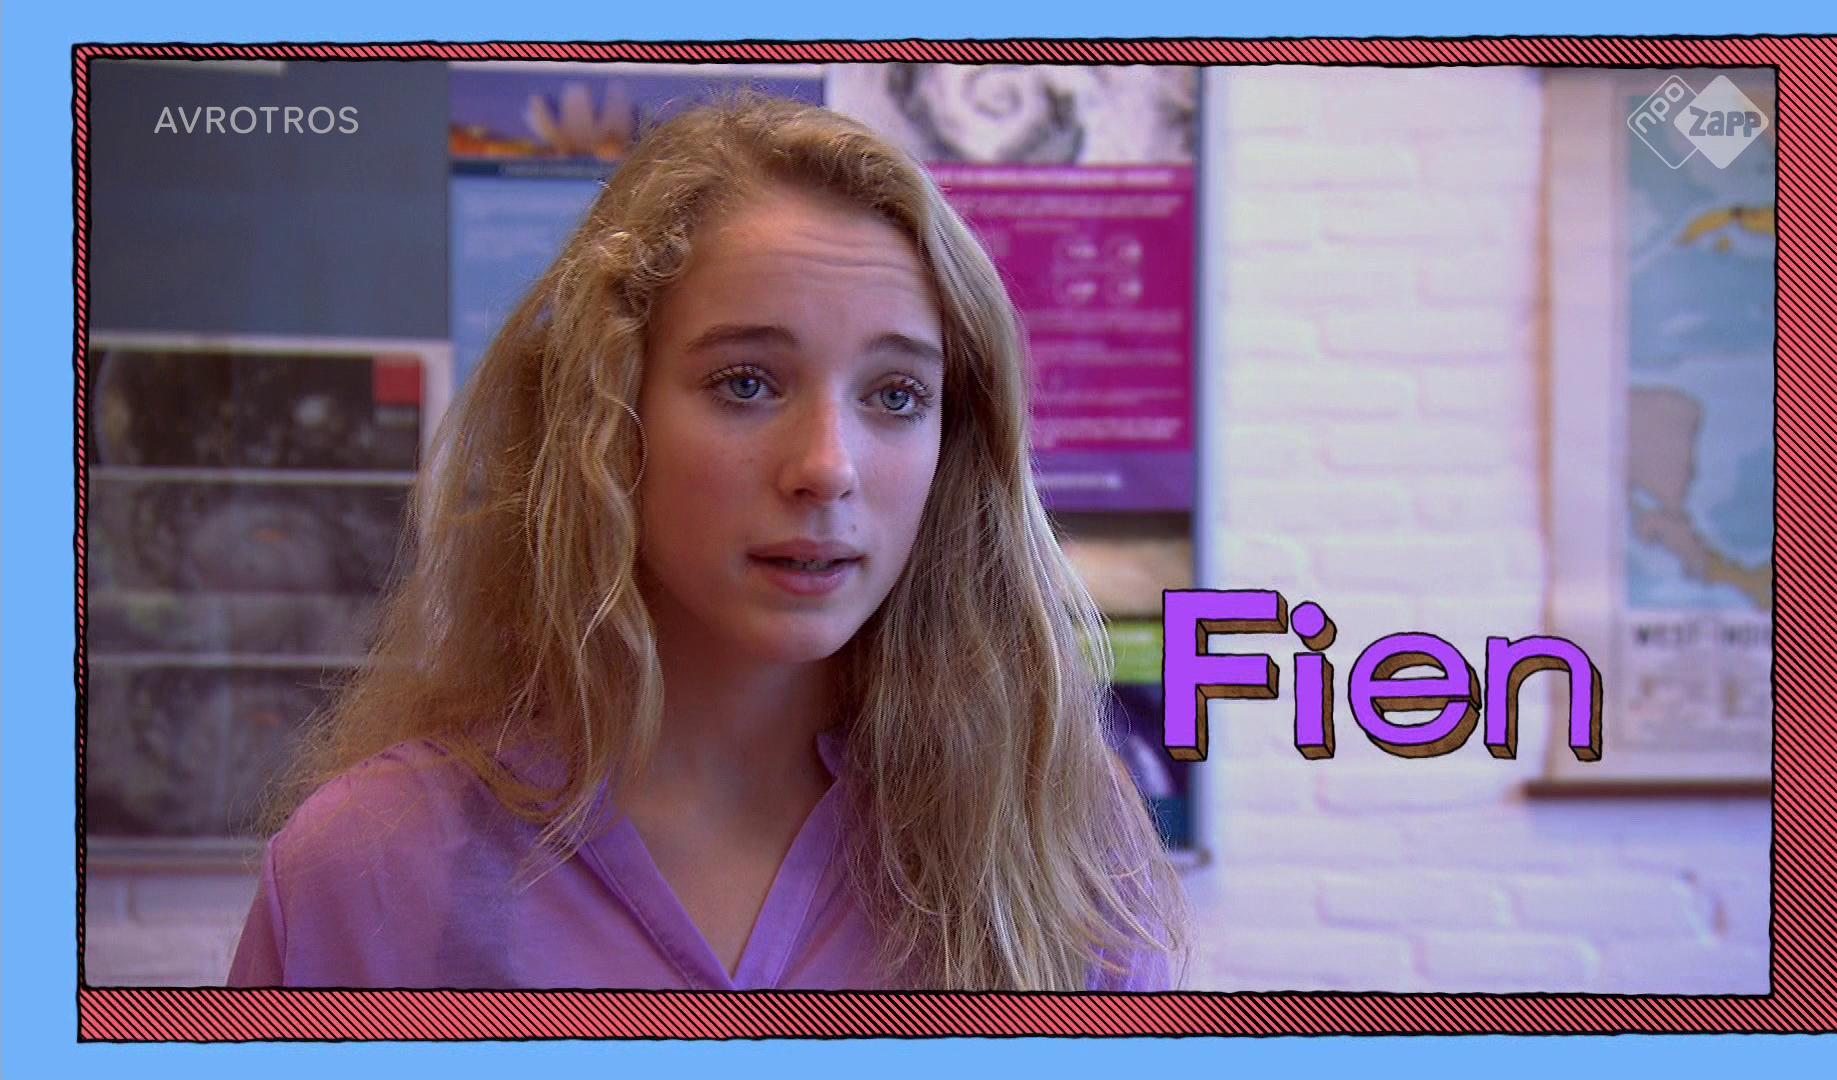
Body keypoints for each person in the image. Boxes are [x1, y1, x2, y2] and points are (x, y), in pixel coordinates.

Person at [227, 94, 1187, 992]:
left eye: (896, 395)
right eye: (746, 383)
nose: (827, 467)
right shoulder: (371, 871)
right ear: (607, 415)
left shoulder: (1063, 850)